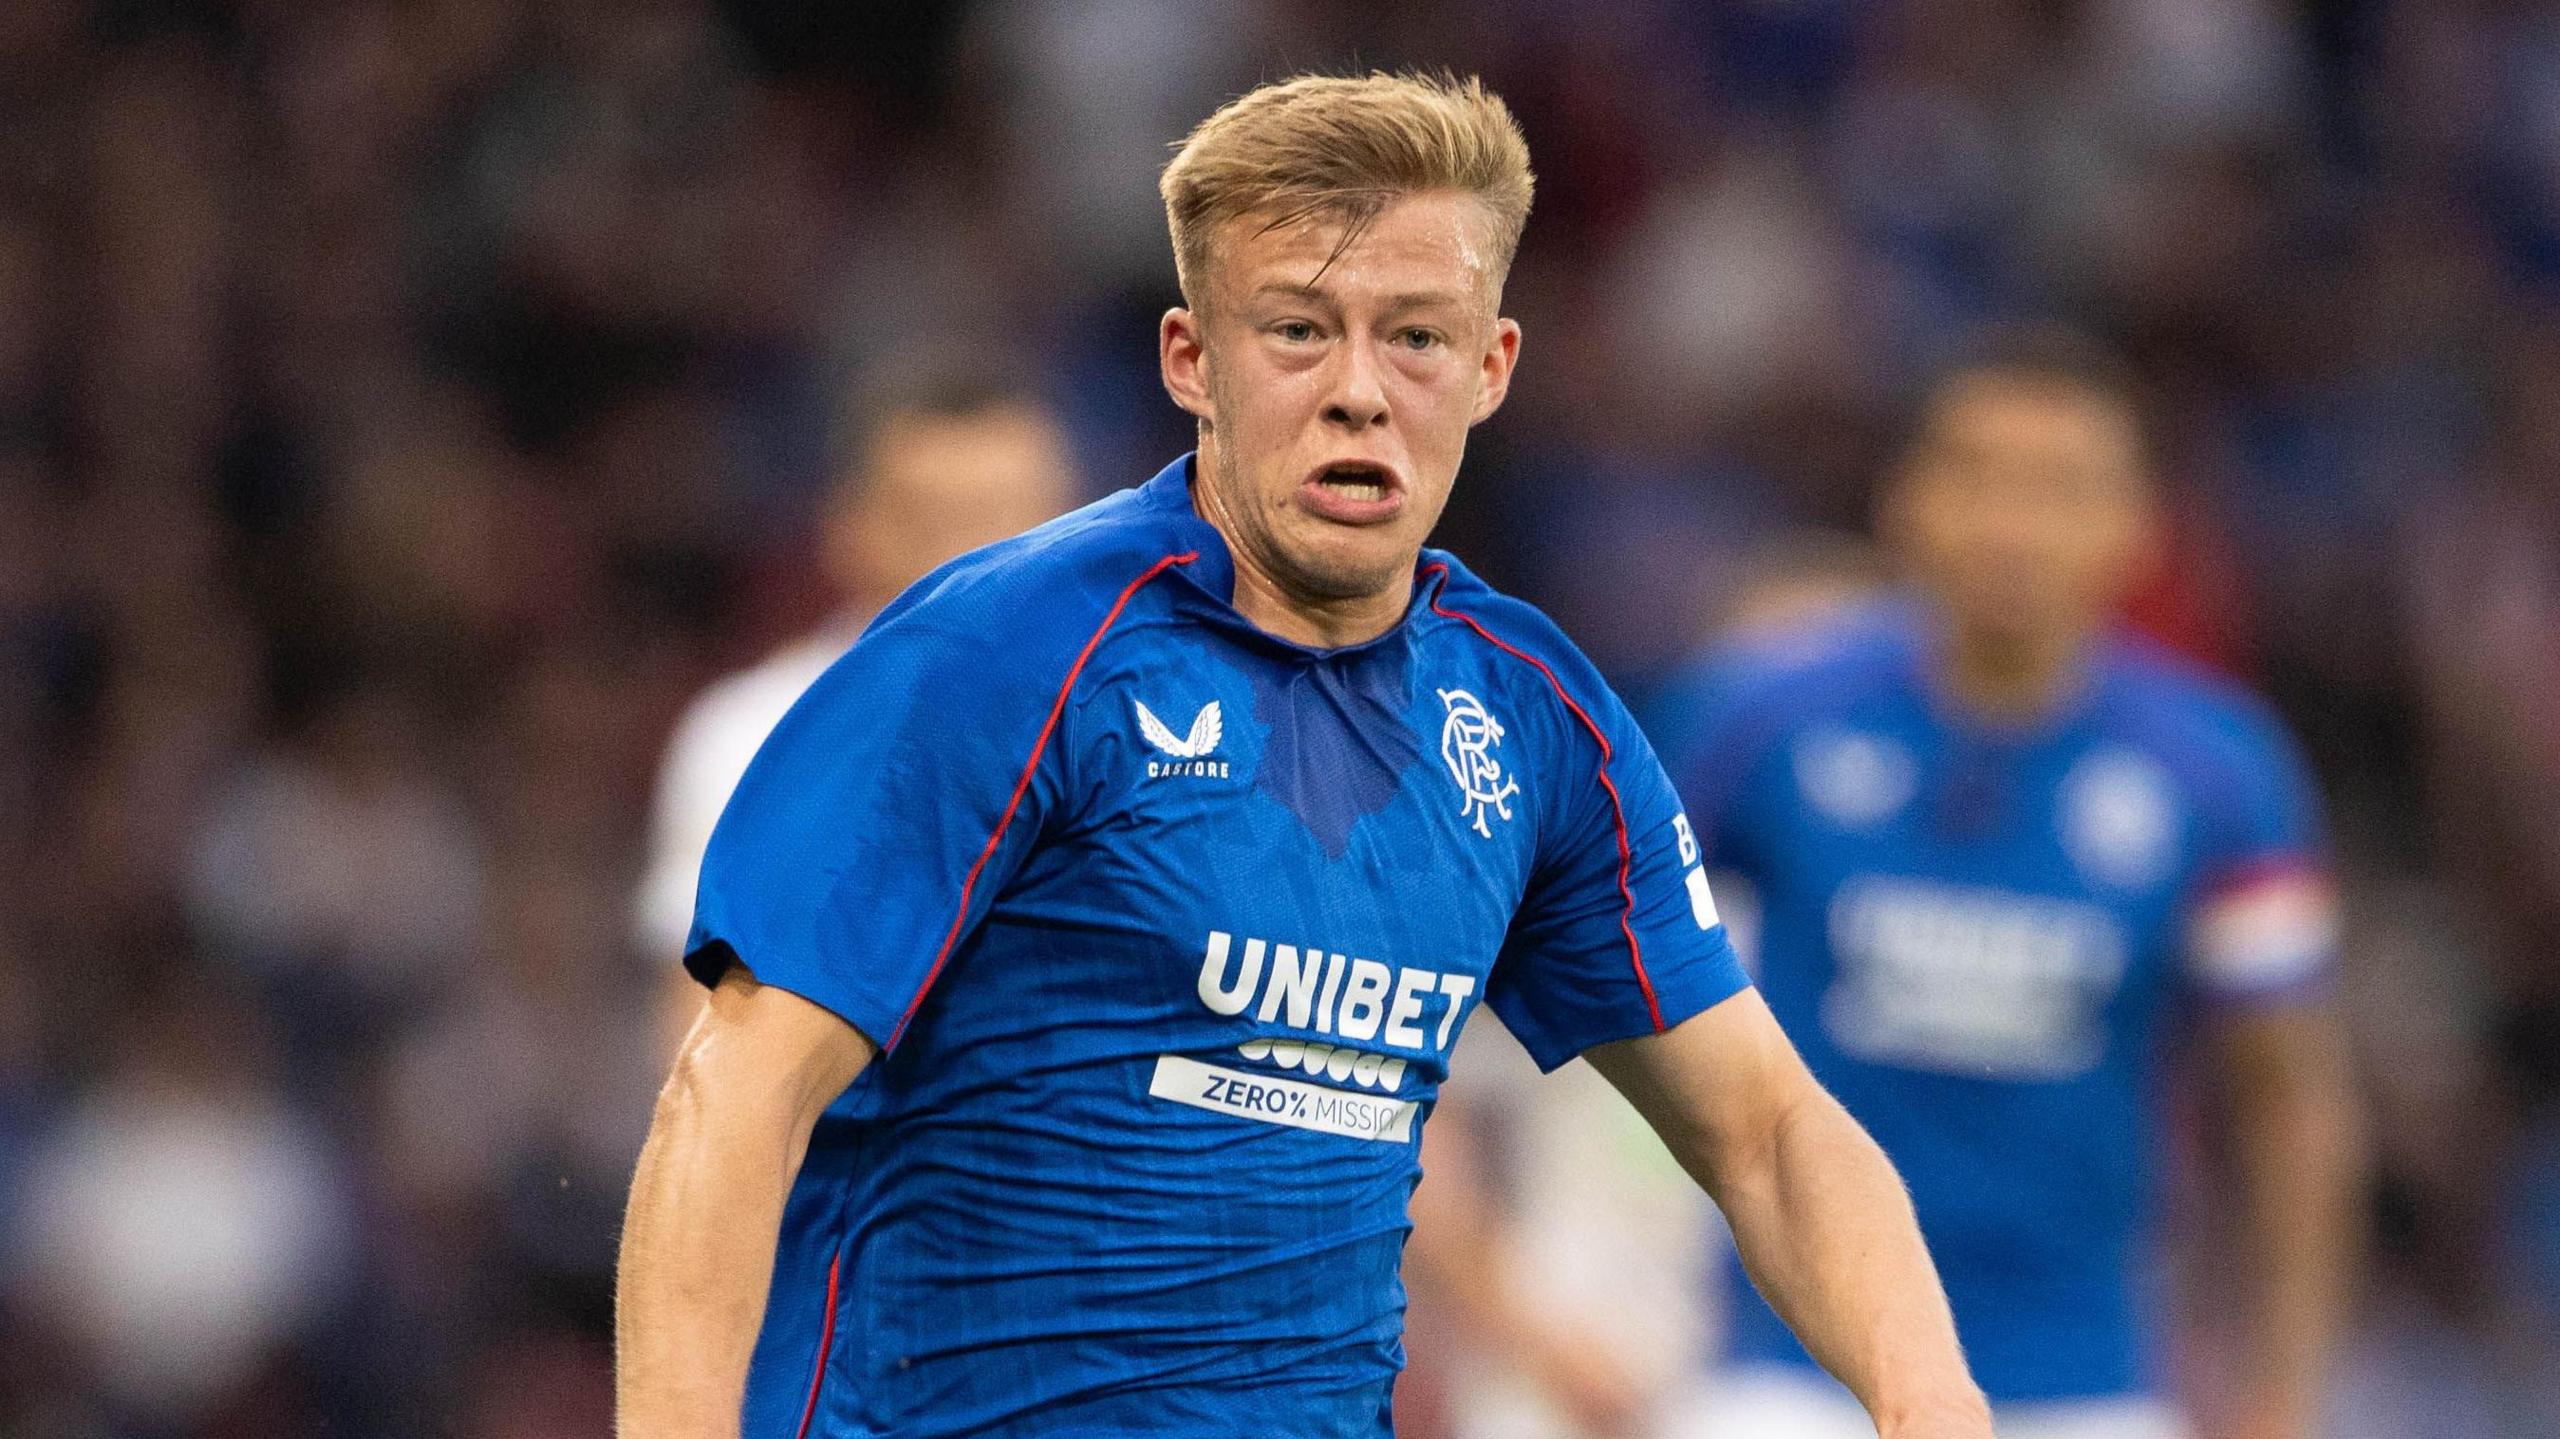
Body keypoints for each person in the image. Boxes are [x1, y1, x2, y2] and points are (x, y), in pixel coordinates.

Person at [615, 72, 1992, 1439]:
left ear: (1492, 365)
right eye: (1296, 330)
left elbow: (1766, 1132)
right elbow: (732, 1091)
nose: (1358, 393)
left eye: (1416, 338)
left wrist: (1929, 1397)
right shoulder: (1002, 652)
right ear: (1189, 359)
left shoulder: (1529, 719)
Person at [1651, 333, 2367, 1439]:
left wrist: (2284, 1393)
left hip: (2081, 1367)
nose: (2011, 523)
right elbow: (1582, 973)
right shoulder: (1756, 718)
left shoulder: (2220, 771)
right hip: (1792, 1355)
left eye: (2060, 487)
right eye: (1975, 474)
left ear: (2136, 526)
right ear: (1907, 500)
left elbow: (2287, 1100)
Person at [630, 366, 1077, 1040]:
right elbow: (698, 1035)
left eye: (1012, 520)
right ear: (850, 527)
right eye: (936, 521)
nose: (981, 558)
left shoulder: (1150, 726)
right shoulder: (755, 734)